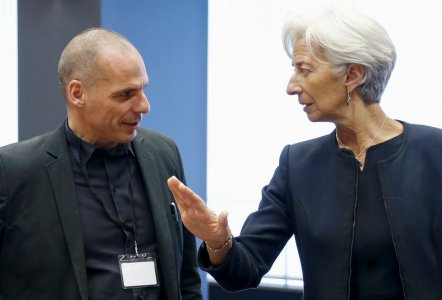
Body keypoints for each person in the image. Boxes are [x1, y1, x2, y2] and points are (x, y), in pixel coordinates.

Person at [167, 7, 442, 300]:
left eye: (304, 69)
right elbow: (245, 269)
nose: (291, 86)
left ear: (352, 75)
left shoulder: (434, 153)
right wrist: (217, 240)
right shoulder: (297, 165)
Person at [0, 28, 201, 300]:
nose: (144, 106)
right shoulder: (14, 171)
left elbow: (186, 276)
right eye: (126, 94)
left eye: (143, 89)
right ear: (77, 93)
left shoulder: (163, 152)